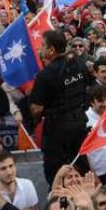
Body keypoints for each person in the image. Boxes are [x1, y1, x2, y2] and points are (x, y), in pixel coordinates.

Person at [30, 29, 90, 185]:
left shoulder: (46, 75)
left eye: (42, 45)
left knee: (57, 175)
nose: (39, 49)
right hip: (80, 126)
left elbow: (36, 108)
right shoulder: (80, 63)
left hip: (57, 132)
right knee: (80, 171)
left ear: (51, 50)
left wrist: (36, 119)